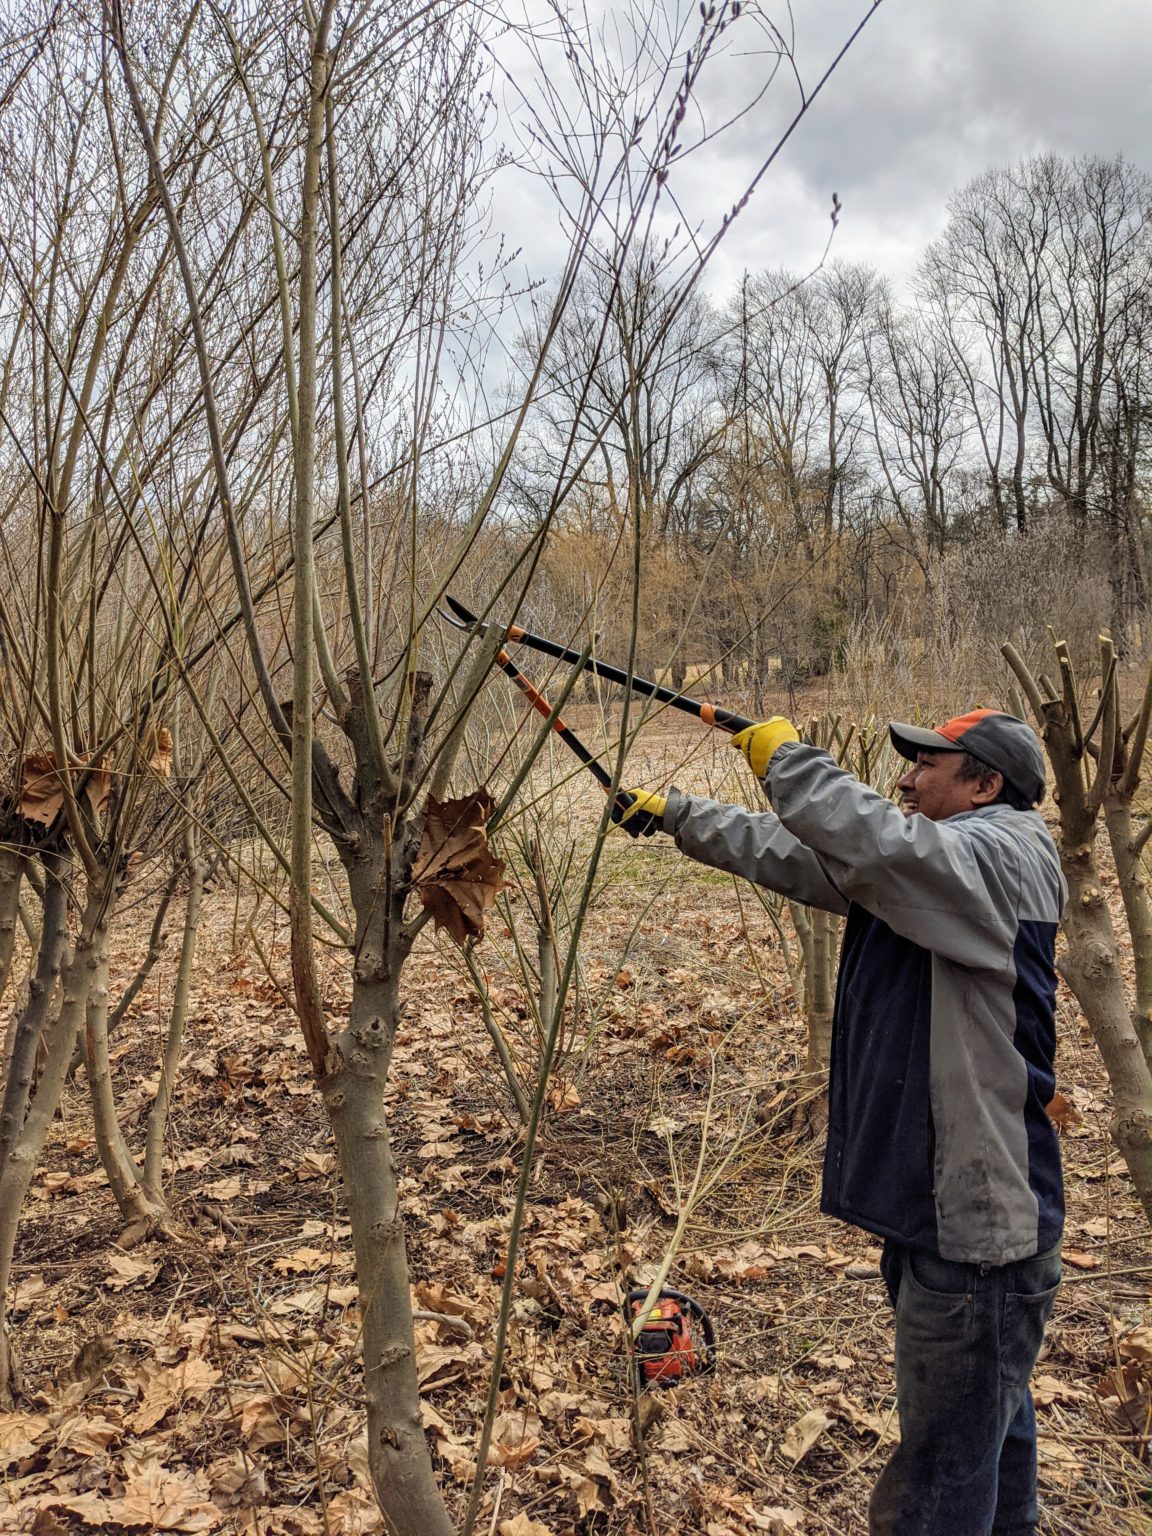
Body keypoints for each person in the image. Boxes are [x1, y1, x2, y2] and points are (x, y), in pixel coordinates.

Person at [615, 708, 1066, 1536]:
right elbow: (806, 853)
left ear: (985, 783)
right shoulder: (935, 874)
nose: (905, 777)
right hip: (942, 1218)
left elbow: (875, 843)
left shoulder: (998, 857)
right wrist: (678, 814)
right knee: (984, 1439)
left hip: (978, 1230)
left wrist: (789, 758)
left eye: (927, 764)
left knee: (936, 1487)